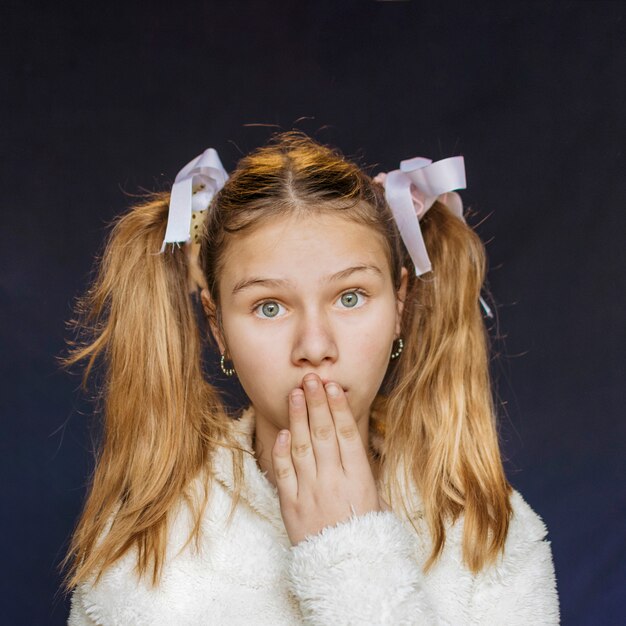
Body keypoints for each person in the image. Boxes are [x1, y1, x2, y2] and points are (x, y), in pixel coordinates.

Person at [61, 131, 559, 624]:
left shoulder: (489, 538)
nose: (315, 346)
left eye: (350, 297)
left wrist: (350, 551)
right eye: (270, 306)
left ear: (400, 305)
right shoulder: (141, 553)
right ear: (217, 327)